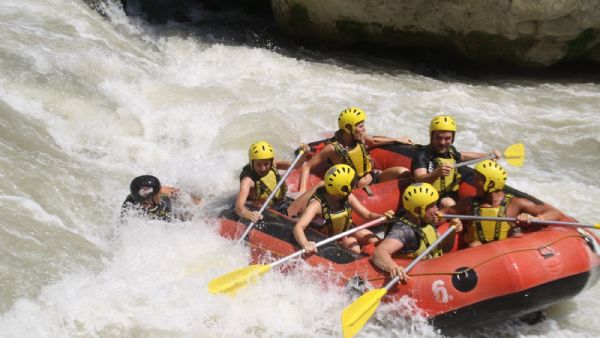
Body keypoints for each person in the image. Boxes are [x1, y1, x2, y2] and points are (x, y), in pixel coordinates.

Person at [444, 160, 561, 247]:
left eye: (477, 179)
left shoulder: (515, 204)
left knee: (516, 236)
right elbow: (444, 213)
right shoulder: (469, 203)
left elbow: (554, 213)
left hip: (505, 255)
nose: (474, 182)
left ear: (489, 184)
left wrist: (536, 218)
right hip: (477, 259)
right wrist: (449, 220)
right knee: (475, 245)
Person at [298, 107, 413, 193]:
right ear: (348, 128)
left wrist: (399, 140)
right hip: (355, 190)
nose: (364, 129)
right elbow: (307, 166)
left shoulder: (360, 137)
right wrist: (302, 191)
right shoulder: (332, 148)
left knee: (402, 172)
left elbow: (374, 140)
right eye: (360, 126)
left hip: (373, 176)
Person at [293, 164, 393, 254]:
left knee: (368, 235)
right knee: (353, 246)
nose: (355, 185)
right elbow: (298, 227)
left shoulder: (347, 197)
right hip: (327, 239)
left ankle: (379, 256)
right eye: (353, 183)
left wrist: (382, 216)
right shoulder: (316, 205)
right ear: (344, 188)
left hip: (344, 232)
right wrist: (305, 243)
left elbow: (367, 215)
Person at [372, 182, 462, 282]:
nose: (437, 210)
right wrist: (393, 267)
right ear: (418, 210)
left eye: (436, 204)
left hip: (435, 271)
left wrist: (452, 231)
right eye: (432, 206)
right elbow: (379, 252)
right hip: (419, 279)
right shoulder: (404, 230)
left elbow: (445, 249)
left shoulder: (425, 221)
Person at [412, 115, 501, 209]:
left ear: (452, 138)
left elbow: (462, 156)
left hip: (451, 193)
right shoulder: (422, 155)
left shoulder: (450, 151)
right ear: (431, 136)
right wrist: (436, 173)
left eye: (447, 139)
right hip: (430, 198)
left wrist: (487, 156)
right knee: (448, 203)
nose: (442, 142)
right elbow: (419, 179)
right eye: (439, 138)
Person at [235, 140, 310, 223]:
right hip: (265, 209)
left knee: (307, 205)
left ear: (271, 162)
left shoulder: (274, 164)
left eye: (266, 164)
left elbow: (296, 165)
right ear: (252, 163)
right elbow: (238, 207)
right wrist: (249, 214)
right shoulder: (247, 180)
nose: (263, 168)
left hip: (281, 202)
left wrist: (303, 155)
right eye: (258, 164)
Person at [121, 175, 202, 222]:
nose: (161, 193)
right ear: (149, 199)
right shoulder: (130, 204)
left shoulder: (164, 196)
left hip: (175, 212)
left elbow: (181, 194)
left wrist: (200, 204)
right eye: (158, 193)